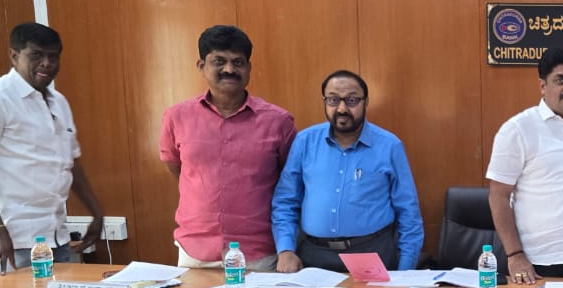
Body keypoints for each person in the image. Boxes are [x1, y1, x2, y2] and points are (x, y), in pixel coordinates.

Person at [0, 22, 104, 276]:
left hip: (57, 235)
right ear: (14, 56)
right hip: (14, 241)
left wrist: (97, 213)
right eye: (36, 55)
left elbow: (71, 164)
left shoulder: (59, 102)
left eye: (53, 57)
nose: (46, 63)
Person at [160, 25, 295, 271]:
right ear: (201, 65)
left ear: (249, 68)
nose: (229, 70)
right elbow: (176, 167)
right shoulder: (177, 117)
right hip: (195, 250)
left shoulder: (278, 121)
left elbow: (290, 181)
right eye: (219, 61)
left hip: (257, 251)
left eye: (238, 62)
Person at [272, 70, 423, 272]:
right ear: (324, 101)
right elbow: (285, 202)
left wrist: (405, 272)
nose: (342, 109)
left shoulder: (389, 146)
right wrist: (285, 249)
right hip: (314, 255)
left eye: (352, 100)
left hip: (371, 253)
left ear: (365, 102)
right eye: (333, 100)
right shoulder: (305, 141)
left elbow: (409, 213)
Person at [487, 47, 563, 284]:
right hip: (538, 264)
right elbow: (498, 197)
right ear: (543, 86)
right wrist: (515, 255)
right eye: (560, 80)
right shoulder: (518, 129)